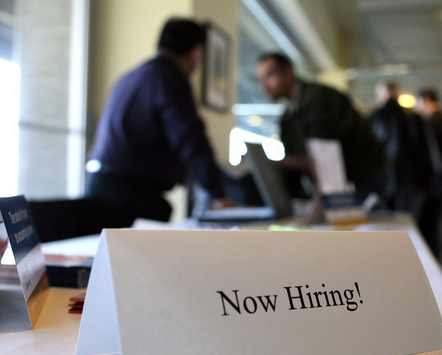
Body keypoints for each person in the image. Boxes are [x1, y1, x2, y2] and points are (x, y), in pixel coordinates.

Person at [85, 18, 232, 226]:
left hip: (98, 184)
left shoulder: (132, 76)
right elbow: (190, 139)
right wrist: (218, 194)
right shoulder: (170, 79)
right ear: (195, 52)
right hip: (129, 196)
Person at [255, 52, 386, 202]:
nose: (264, 84)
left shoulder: (320, 99)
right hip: (342, 185)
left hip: (362, 180)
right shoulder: (288, 117)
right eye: (261, 79)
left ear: (289, 72)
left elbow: (323, 156)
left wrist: (275, 162)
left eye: (269, 75)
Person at [369, 81, 428, 215]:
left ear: (379, 96)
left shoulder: (373, 117)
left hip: (380, 179)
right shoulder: (413, 118)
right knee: (406, 220)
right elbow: (424, 152)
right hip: (409, 181)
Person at [416, 88, 442, 260]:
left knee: (429, 229)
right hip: (441, 183)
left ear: (425, 99)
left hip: (433, 184)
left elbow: (430, 158)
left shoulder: (432, 123)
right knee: (435, 228)